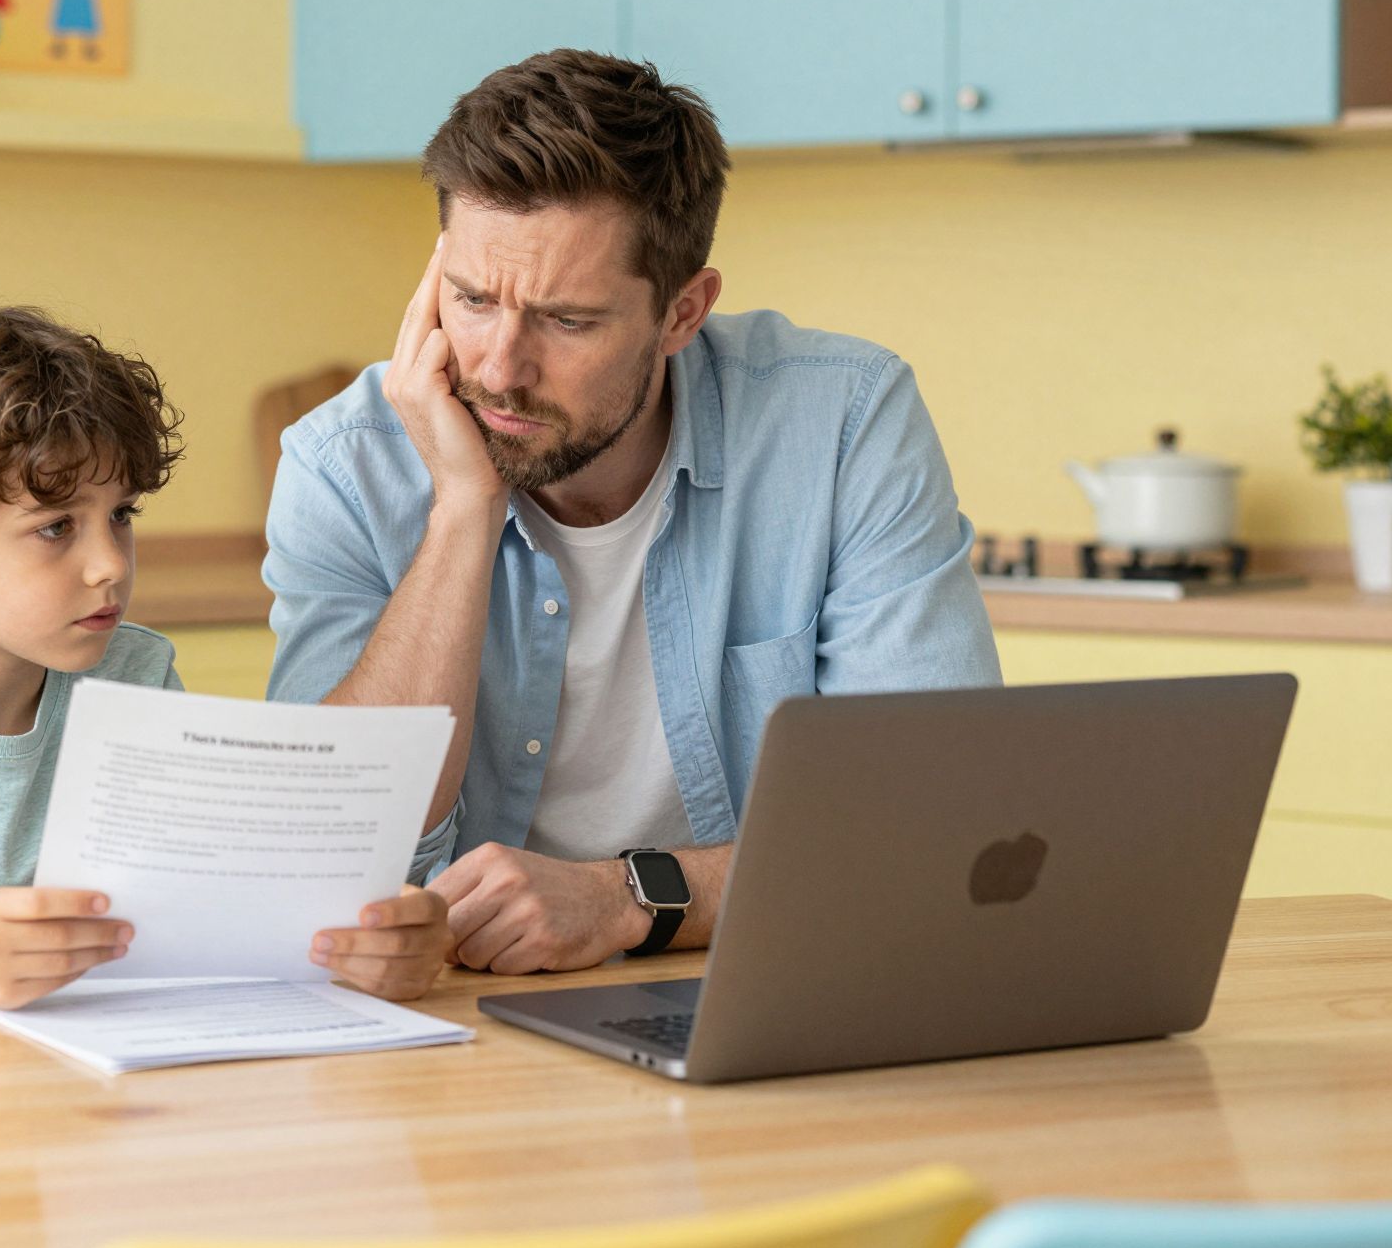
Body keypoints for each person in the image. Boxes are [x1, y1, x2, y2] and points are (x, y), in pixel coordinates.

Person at [263, 49, 1001, 977]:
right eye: (472, 299)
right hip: (457, 1010)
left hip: (757, 983)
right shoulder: (345, 464)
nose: (498, 367)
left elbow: (934, 827)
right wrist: (463, 505)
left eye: (567, 321)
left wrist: (624, 899)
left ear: (684, 312)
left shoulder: (844, 421)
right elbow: (321, 852)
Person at [0, 308, 449, 1009]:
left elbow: (210, 902)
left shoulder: (135, 673)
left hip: (80, 1081)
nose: (110, 566)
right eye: (56, 527)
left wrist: (364, 942)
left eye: (120, 516)